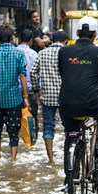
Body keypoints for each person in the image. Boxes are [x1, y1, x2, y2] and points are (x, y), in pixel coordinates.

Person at [58, 16, 98, 191]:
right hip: (91, 102)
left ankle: (68, 178)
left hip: (66, 103)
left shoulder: (64, 52)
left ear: (77, 33)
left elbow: (65, 76)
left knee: (70, 134)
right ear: (95, 34)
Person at [0, 24, 30, 161]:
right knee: (13, 131)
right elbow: (23, 76)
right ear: (12, 38)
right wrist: (26, 97)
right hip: (14, 100)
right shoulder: (19, 54)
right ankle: (13, 159)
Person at [30, 30, 69, 164]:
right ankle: (69, 157)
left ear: (52, 40)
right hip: (66, 96)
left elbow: (33, 72)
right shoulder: (67, 53)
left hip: (47, 96)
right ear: (65, 42)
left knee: (48, 127)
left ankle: (51, 159)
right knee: (68, 127)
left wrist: (37, 91)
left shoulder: (42, 53)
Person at [17, 29, 39, 137]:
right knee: (32, 119)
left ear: (19, 39)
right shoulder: (33, 54)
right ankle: (32, 142)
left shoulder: (14, 51)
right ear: (31, 40)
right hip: (30, 91)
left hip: (15, 91)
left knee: (16, 120)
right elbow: (35, 73)